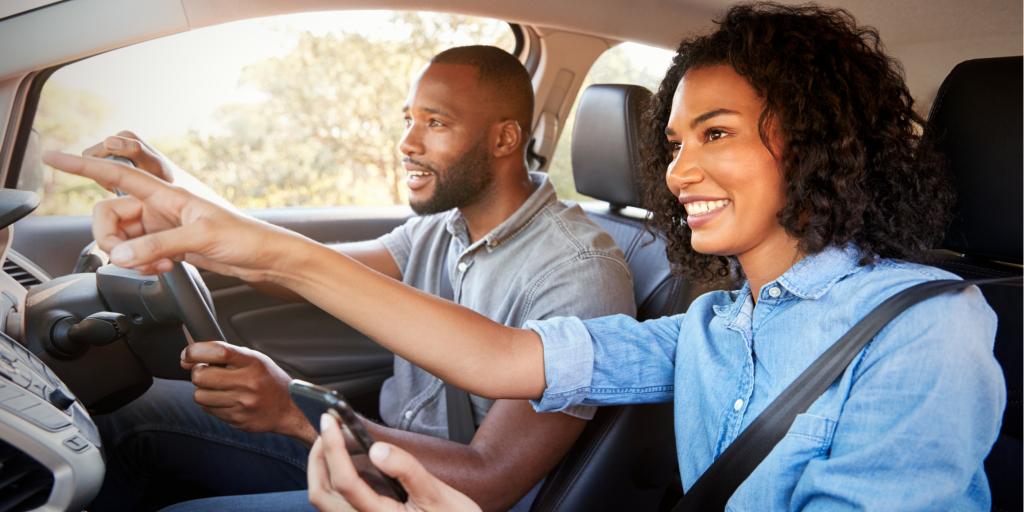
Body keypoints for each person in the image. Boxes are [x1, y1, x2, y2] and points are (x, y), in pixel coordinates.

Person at [44, 3, 1006, 510]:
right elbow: (504, 359)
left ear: (818, 138)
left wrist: (299, 411)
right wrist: (250, 244)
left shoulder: (924, 327)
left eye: (716, 134)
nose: (679, 172)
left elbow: (495, 466)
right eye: (674, 144)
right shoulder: (711, 324)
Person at [78, 45, 636, 511]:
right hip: (374, 450)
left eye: (435, 123)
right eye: (408, 120)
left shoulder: (581, 274)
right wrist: (177, 200)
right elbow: (295, 270)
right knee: (128, 419)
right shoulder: (444, 227)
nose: (407, 143)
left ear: (504, 140)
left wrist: (293, 411)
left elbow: (491, 478)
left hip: (432, 496)